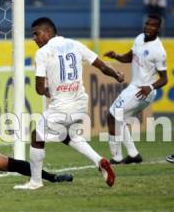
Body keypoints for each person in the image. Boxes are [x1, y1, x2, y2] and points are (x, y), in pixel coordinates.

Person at [14, 17, 123, 190]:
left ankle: (35, 182)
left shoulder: (43, 53)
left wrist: (50, 91)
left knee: (37, 136)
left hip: (61, 106)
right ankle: (99, 161)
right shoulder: (76, 44)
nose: (34, 38)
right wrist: (116, 75)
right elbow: (101, 66)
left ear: (48, 32)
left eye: (36, 34)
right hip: (80, 104)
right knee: (67, 135)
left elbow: (40, 89)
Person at [104, 14, 168, 164]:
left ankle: (116, 157)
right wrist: (116, 56)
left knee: (112, 116)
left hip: (143, 91)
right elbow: (130, 57)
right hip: (135, 87)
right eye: (147, 24)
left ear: (158, 29)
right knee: (121, 119)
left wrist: (150, 87)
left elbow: (165, 79)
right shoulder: (139, 38)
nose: (148, 27)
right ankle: (133, 154)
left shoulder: (159, 51)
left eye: (153, 26)